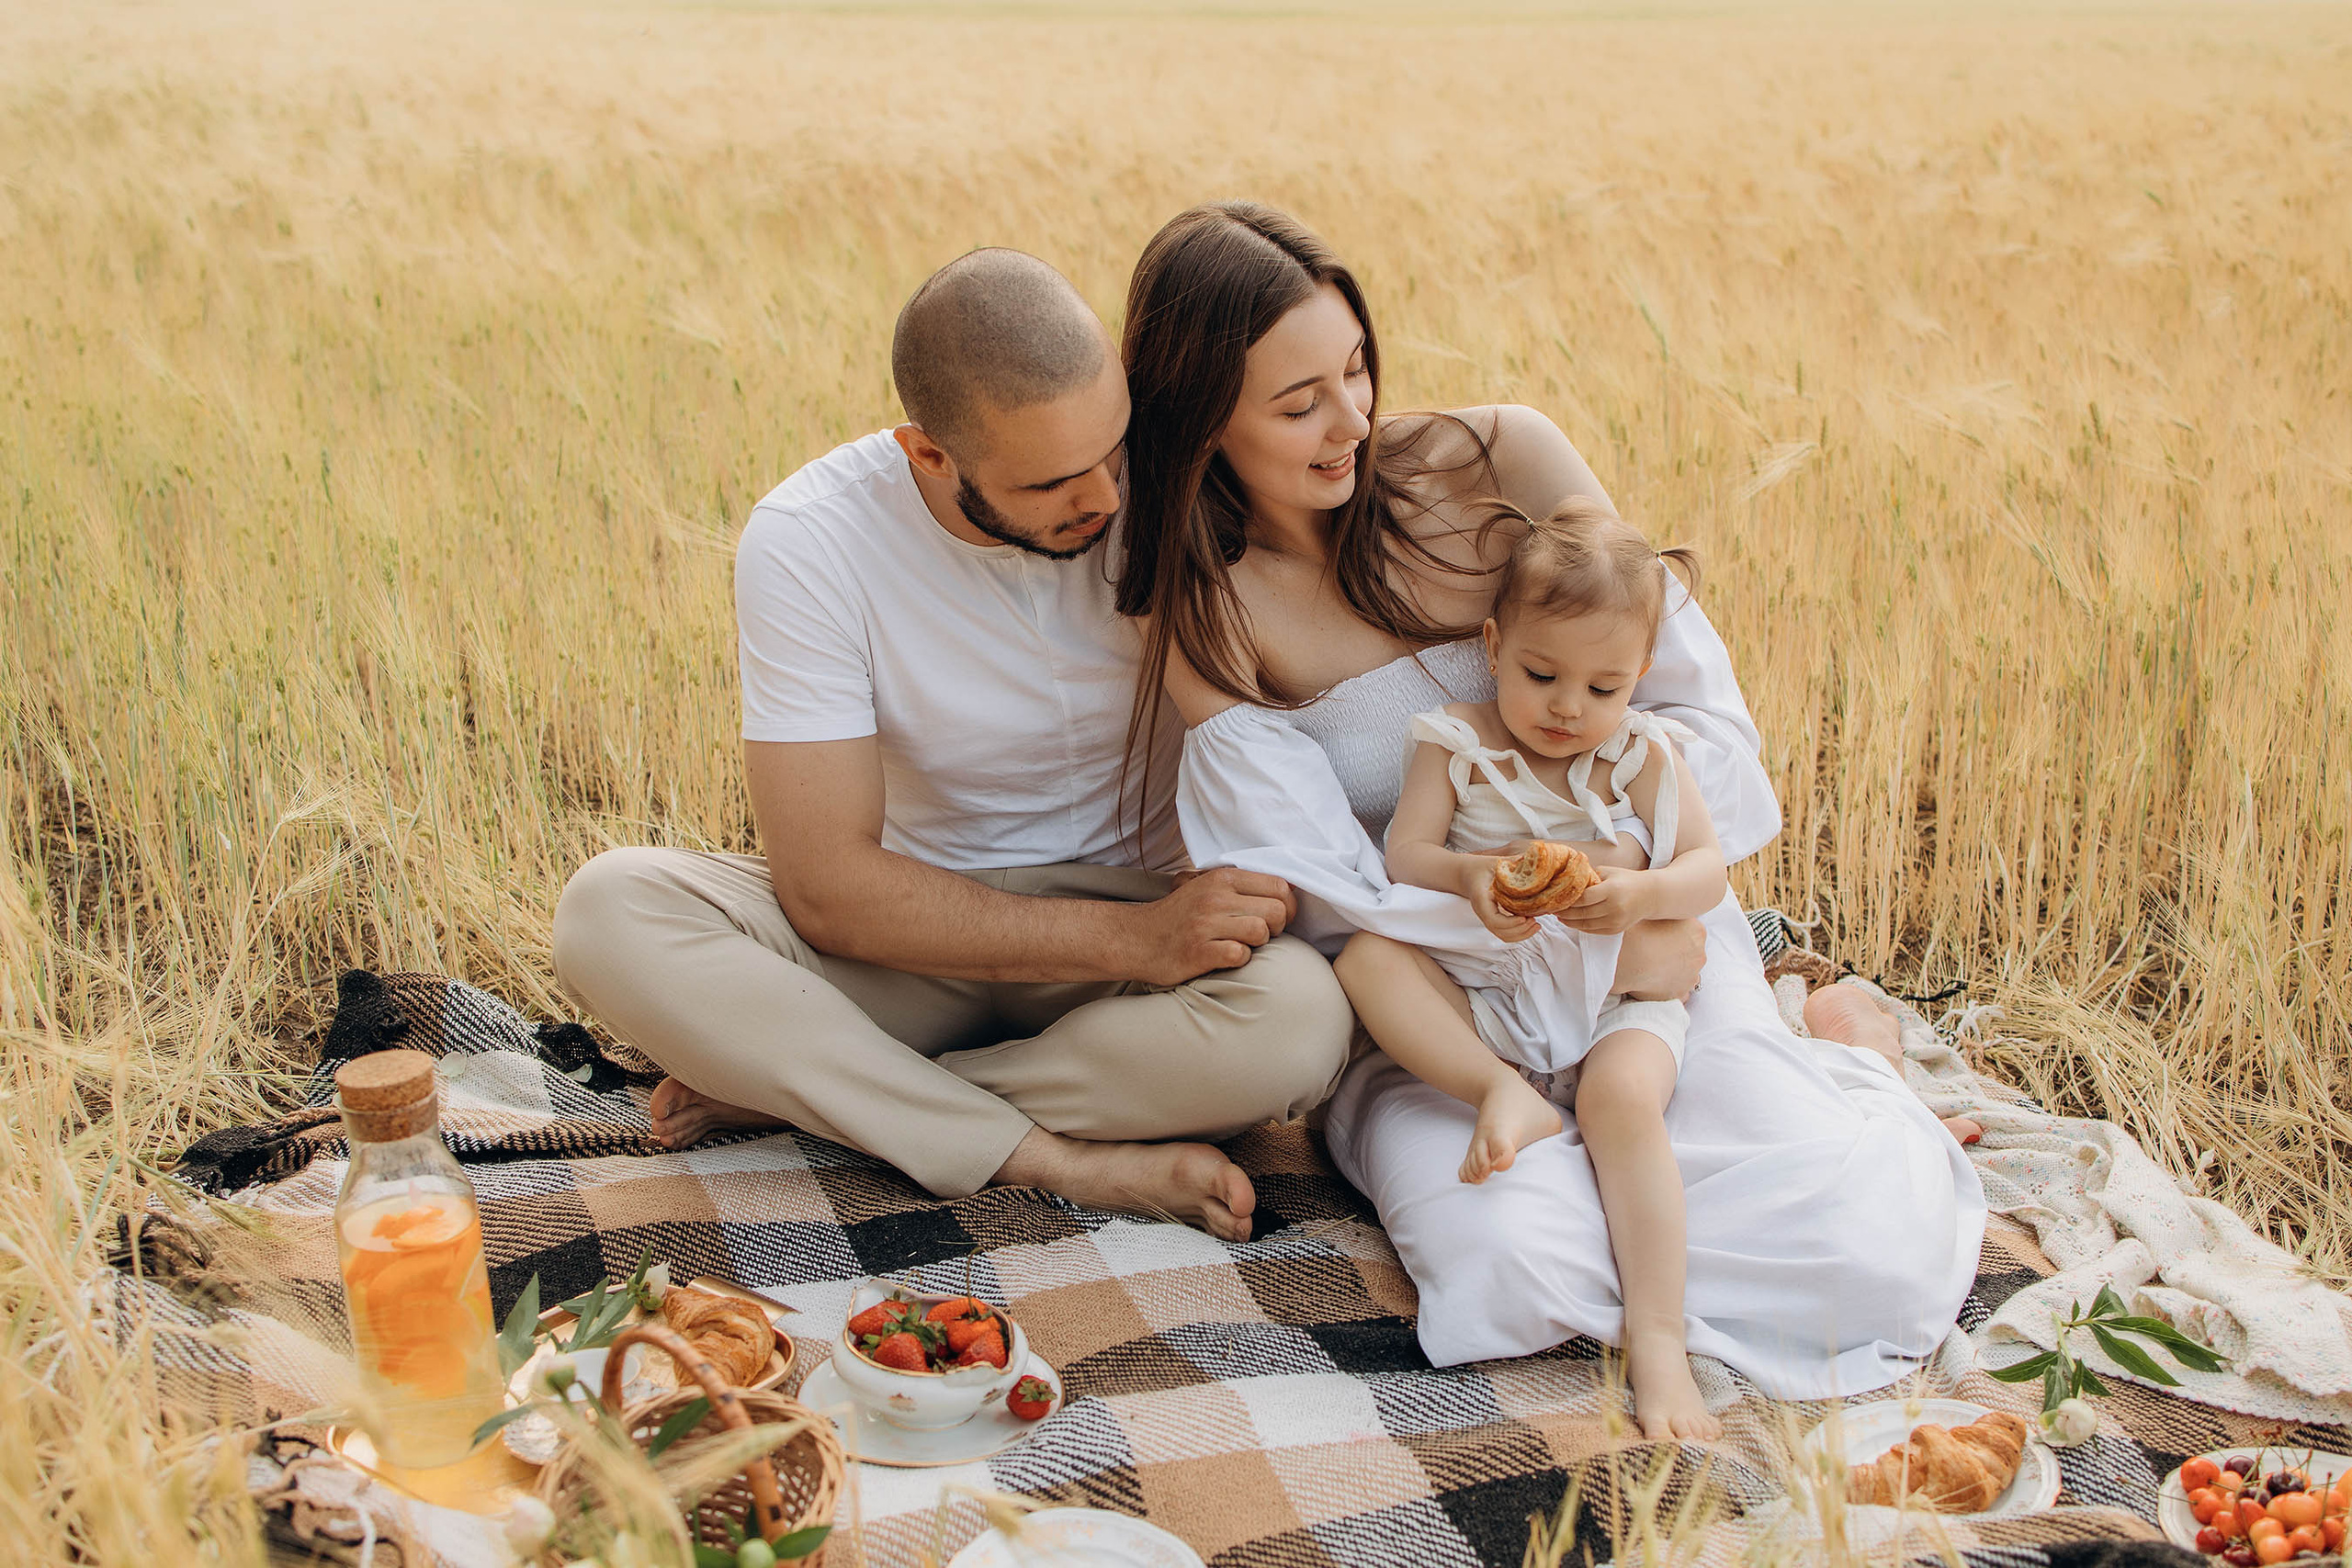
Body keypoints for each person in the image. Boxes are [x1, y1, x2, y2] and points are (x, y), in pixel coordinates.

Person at [1117, 199, 1984, 1409]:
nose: (1352, 418)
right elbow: (1325, 889)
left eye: (1357, 366)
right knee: (1509, 1267)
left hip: (1636, 952)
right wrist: (1479, 891)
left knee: (1855, 1242)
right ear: (1203, 416)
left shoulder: (1499, 462)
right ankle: (1633, 1199)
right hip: (1438, 1011)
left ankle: (1857, 1053)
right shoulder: (1209, 612)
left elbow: (1705, 727)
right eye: (1298, 399)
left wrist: (1606, 859)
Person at [551, 248, 1352, 1242]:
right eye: (1054, 482)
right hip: (912, 936)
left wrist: (1147, 938)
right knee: (608, 908)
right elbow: (828, 889)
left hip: (1141, 927)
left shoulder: (1176, 469)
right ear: (928, 455)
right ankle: (1043, 1155)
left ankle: (825, 1095)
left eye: (1113, 450)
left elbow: (1378, 456)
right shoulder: (811, 538)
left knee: (1301, 1021)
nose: (1105, 500)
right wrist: (1129, 944)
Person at [1337, 501, 1729, 1438]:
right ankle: (1496, 1091)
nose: (1568, 709)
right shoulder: (1455, 742)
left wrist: (1636, 896)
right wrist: (1472, 876)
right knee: (1365, 958)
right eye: (1540, 674)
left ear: (1638, 679)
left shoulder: (1639, 755)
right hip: (1491, 995)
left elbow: (1707, 869)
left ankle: (1659, 1339)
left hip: (1613, 1000)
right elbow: (1407, 857)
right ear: (1492, 644)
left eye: (1604, 688)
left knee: (1622, 1104)